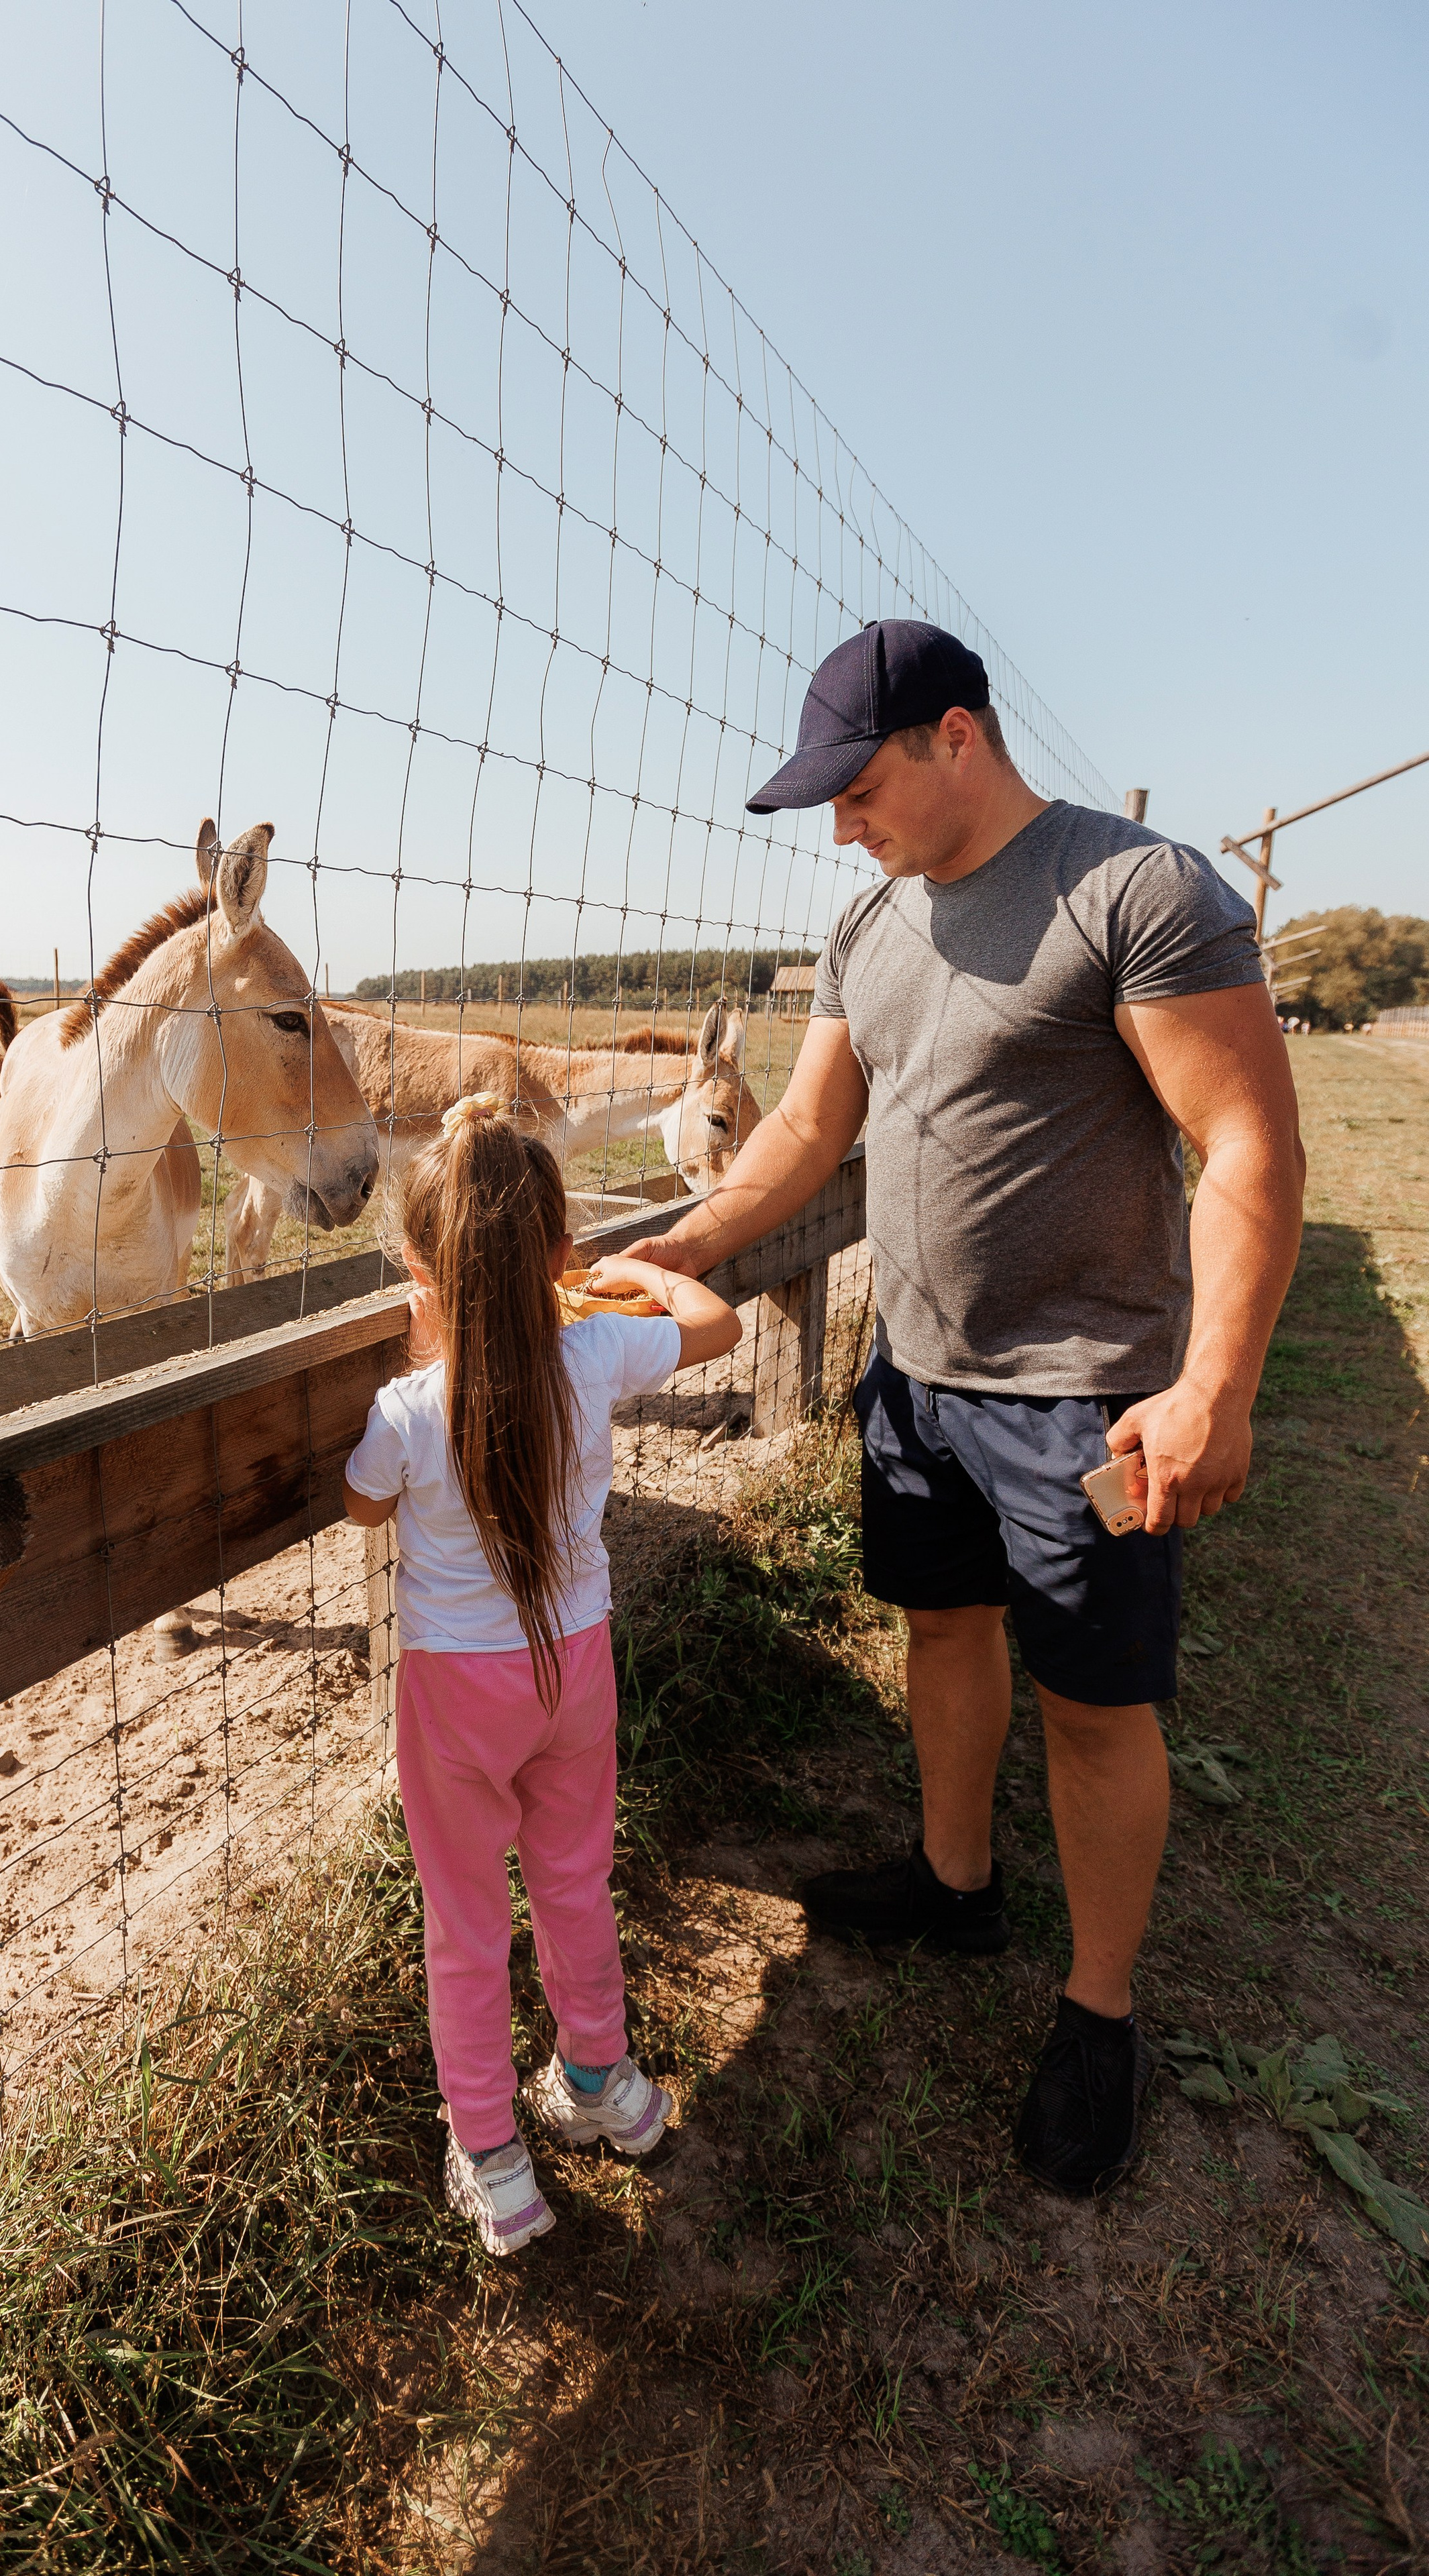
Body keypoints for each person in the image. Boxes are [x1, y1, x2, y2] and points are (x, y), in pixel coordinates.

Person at [600, 620, 1305, 2197]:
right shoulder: (869, 927)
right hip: (915, 1382)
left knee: (1091, 1706)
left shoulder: (1133, 892)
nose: (839, 829)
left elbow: (1244, 1145)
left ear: (955, 738)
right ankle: (953, 1881)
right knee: (938, 1629)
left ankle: (1098, 2014)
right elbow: (803, 1131)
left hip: (1085, 1404)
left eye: (856, 792)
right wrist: (685, 1247)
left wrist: (1214, 1385)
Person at [343, 1091, 743, 2254]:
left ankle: (492, 2155)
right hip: (576, 1668)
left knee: (467, 1923)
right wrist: (644, 1272)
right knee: (574, 1881)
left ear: (419, 1268)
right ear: (562, 1256)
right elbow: (717, 1323)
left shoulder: (405, 1410)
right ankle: (604, 2082)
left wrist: (424, 1349)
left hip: (456, 1697)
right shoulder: (598, 1350)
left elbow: (362, 1505)